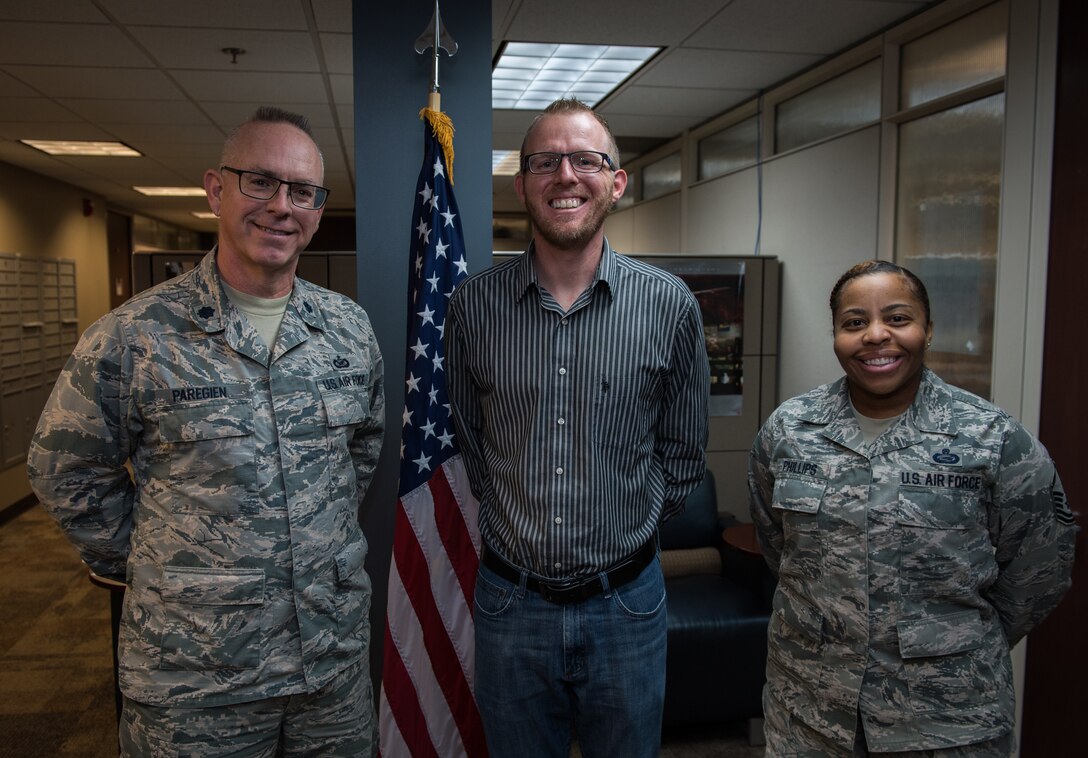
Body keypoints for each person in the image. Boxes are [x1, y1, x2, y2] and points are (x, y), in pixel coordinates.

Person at [27, 106, 385, 757]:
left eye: (302, 192)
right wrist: (165, 561)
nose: (282, 206)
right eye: (261, 182)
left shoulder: (347, 330)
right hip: (194, 681)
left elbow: (357, 456)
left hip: (327, 670)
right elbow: (64, 468)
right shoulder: (135, 335)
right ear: (216, 189)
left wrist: (302, 533)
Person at [446, 97, 710, 757]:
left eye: (585, 159)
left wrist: (625, 522)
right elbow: (472, 444)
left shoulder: (668, 304)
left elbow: (682, 455)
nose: (566, 175)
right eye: (546, 161)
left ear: (616, 181)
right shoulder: (473, 306)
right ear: (523, 185)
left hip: (627, 605)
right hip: (512, 607)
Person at [748, 260, 1076, 756]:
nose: (875, 336)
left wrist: (956, 640)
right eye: (854, 323)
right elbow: (778, 546)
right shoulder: (789, 431)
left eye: (898, 319)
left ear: (928, 330)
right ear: (835, 335)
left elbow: (1041, 568)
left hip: (946, 721)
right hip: (810, 712)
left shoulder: (991, 438)